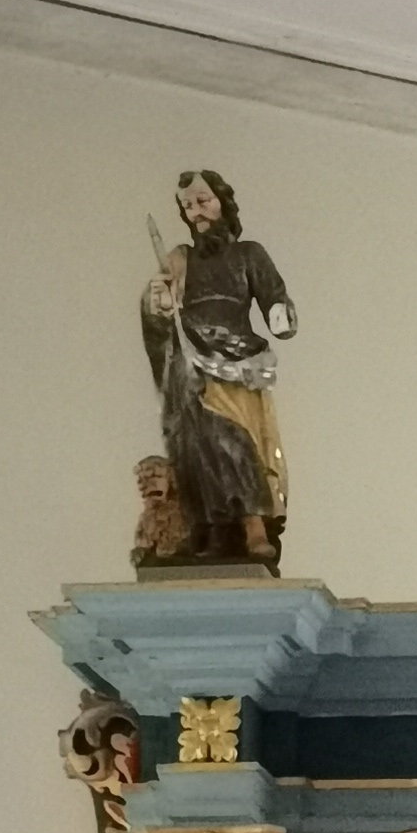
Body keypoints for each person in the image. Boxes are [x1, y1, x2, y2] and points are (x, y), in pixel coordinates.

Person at [140, 170, 295, 564]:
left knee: (236, 440)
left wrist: (280, 313)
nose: (196, 211)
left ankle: (254, 525)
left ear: (222, 201)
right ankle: (212, 528)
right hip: (190, 361)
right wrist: (158, 304)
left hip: (236, 361)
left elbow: (274, 295)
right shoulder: (180, 259)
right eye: (188, 205)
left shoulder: (248, 254)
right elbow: (157, 308)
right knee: (198, 446)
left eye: (203, 201)